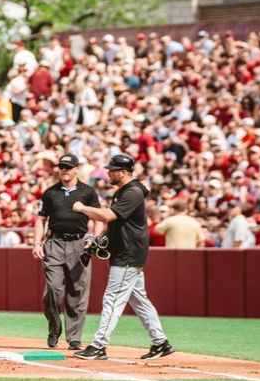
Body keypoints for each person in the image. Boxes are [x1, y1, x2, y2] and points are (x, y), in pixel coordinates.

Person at [70, 153, 174, 361]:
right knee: (140, 301)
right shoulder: (124, 191)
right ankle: (160, 342)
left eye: (112, 170)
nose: (108, 173)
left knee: (112, 299)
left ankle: (99, 346)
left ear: (124, 172)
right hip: (126, 253)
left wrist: (82, 208)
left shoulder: (133, 192)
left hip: (128, 255)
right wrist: (98, 238)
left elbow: (107, 216)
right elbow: (115, 223)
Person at [32, 153, 103, 350]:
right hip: (55, 242)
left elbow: (98, 218)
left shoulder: (87, 192)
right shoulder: (50, 193)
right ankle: (54, 329)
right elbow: (41, 219)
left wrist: (94, 238)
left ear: (76, 169)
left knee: (77, 292)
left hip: (79, 244)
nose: (64, 170)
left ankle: (74, 338)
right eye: (62, 167)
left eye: (68, 167)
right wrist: (37, 243)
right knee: (53, 289)